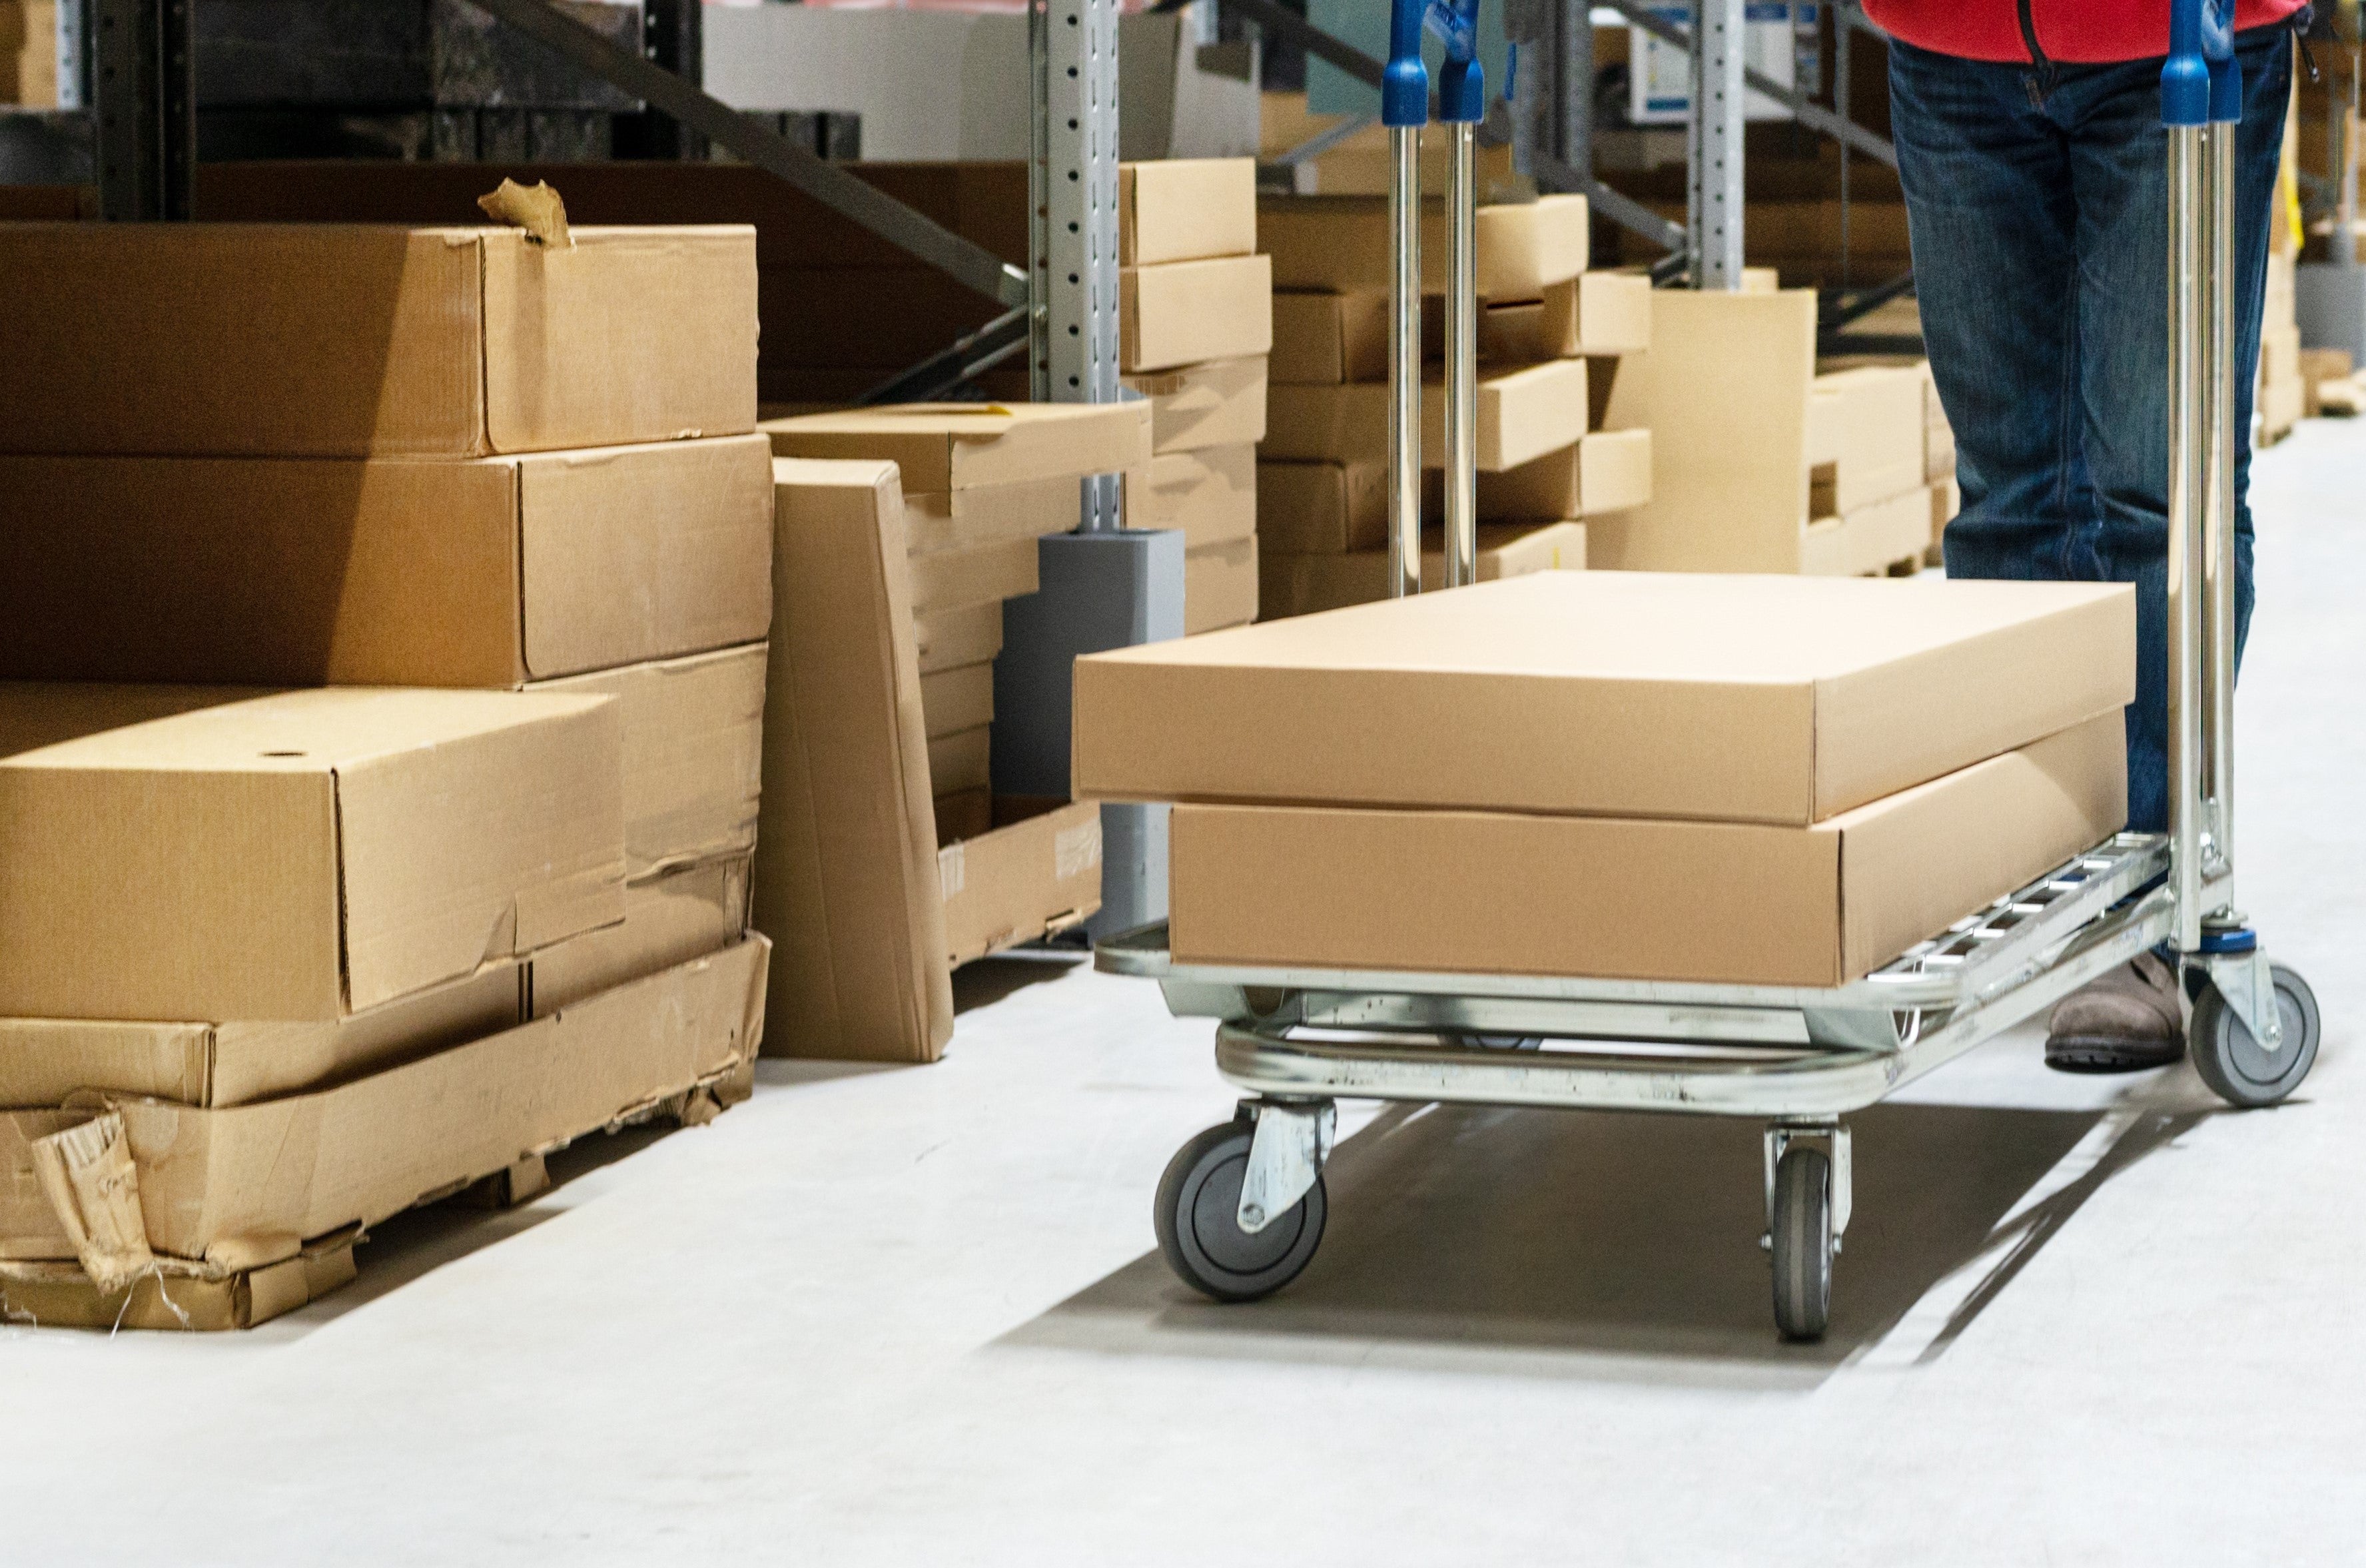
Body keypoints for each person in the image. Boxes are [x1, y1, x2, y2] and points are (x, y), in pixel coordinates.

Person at [1864, 0, 2302, 1070]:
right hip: (1949, 38)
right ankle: (2028, 879)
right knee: (2007, 495)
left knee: (2158, 495)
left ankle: (2149, 899)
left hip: (2176, 33)